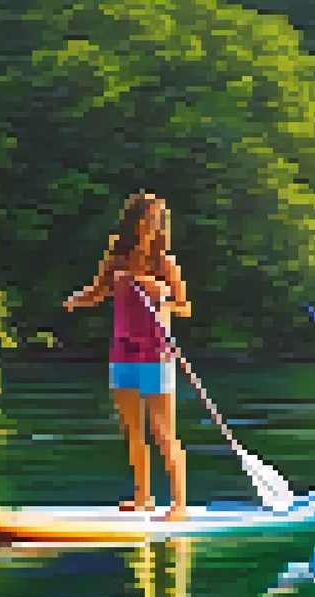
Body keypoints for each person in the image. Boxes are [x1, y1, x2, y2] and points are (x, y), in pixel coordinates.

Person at [64, 192, 192, 522]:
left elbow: (184, 306)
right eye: (147, 218)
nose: (152, 225)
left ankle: (179, 505)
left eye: (157, 219)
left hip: (157, 353)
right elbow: (97, 291)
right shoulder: (117, 261)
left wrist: (159, 294)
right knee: (132, 430)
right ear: (133, 222)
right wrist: (77, 300)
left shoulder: (165, 263)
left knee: (163, 430)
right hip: (123, 353)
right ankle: (143, 498)